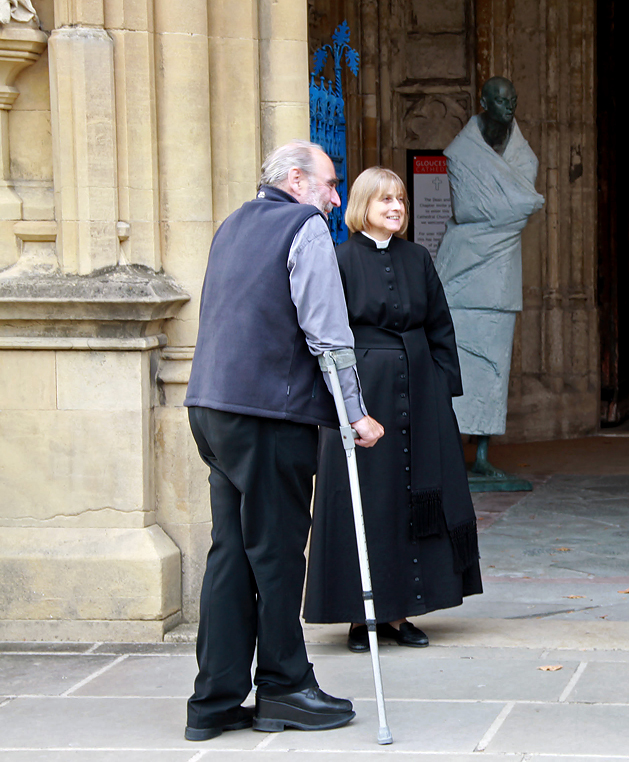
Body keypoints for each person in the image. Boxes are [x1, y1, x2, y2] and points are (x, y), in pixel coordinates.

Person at [183, 140, 385, 741]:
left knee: (230, 552)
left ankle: (214, 700)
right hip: (270, 414)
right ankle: (285, 688)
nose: (336, 195)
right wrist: (355, 412)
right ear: (297, 180)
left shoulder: (234, 223)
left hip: (213, 407)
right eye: (329, 183)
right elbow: (327, 330)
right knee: (273, 554)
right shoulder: (305, 226)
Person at [304, 167, 482, 653]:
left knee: (413, 500)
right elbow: (324, 332)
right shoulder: (338, 259)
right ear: (363, 205)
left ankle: (402, 613)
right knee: (369, 500)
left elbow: (440, 324)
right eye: (385, 200)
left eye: (400, 199)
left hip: (420, 390)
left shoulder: (417, 257)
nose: (396, 207)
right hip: (364, 391)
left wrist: (441, 389)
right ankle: (362, 618)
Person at [434, 76, 544, 475]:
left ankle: (481, 455)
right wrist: (514, 208)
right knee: (457, 362)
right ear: (483, 102)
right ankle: (450, 449)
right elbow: (471, 210)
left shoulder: (523, 158)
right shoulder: (461, 154)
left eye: (513, 99)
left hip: (498, 279)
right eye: (501, 99)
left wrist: (511, 209)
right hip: (461, 274)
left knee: (493, 368)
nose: (508, 105)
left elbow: (513, 210)